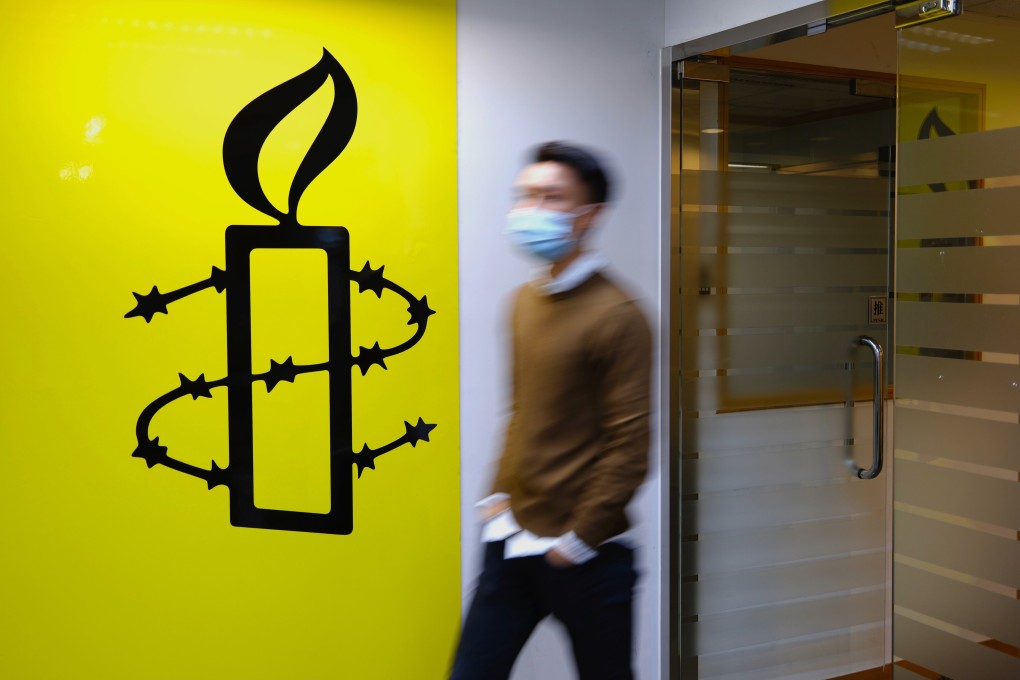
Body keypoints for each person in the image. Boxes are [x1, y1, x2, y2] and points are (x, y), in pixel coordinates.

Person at [450, 141, 651, 680]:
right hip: (511, 542)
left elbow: (630, 448)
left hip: (586, 556)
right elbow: (520, 412)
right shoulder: (521, 302)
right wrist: (495, 501)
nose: (530, 208)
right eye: (525, 195)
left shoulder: (620, 315)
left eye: (550, 197)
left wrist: (577, 540)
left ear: (589, 216)